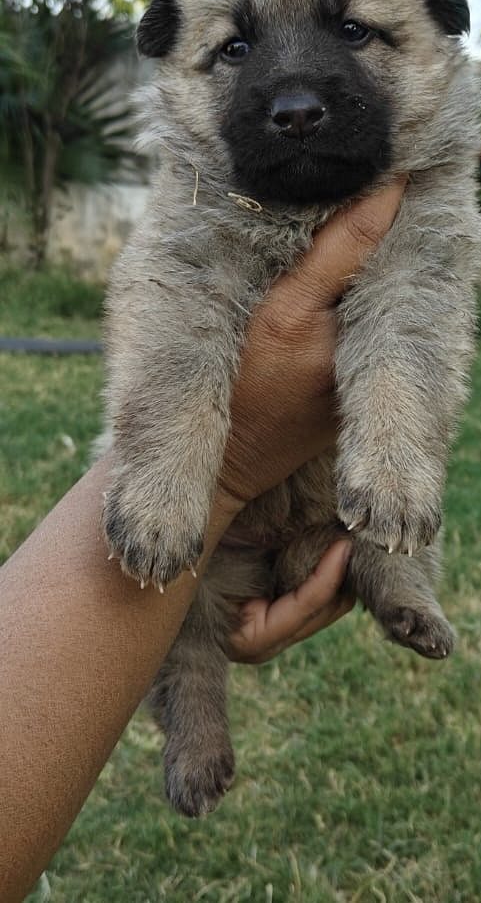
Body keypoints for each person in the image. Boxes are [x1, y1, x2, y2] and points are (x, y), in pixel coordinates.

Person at [0, 179, 405, 903]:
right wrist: (224, 472)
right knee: (175, 570)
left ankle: (399, 586)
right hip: (202, 497)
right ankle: (192, 711)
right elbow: (165, 295)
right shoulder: (199, 196)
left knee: (368, 542)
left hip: (314, 506)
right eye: (236, 53)